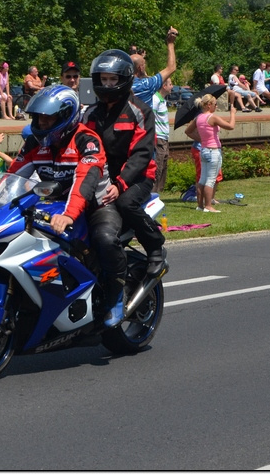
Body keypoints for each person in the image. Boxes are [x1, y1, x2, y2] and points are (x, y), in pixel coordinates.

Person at [83, 50, 166, 327]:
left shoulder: (139, 111)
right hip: (102, 177)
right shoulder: (91, 114)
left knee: (124, 204)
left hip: (137, 177)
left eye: (112, 79)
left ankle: (155, 247)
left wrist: (120, 184)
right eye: (103, 79)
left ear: (124, 80)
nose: (107, 85)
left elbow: (141, 155)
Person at [9, 84, 107, 243]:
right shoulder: (34, 143)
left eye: (48, 117)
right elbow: (12, 177)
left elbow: (85, 181)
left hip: (95, 204)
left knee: (105, 239)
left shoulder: (86, 140)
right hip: (56, 205)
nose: (42, 122)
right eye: (39, 116)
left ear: (66, 115)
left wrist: (69, 214)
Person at [185, 94, 236, 213]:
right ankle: (208, 206)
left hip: (203, 150)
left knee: (202, 179)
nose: (216, 106)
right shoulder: (212, 117)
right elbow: (231, 126)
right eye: (215, 104)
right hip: (213, 151)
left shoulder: (198, 118)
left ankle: (200, 205)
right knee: (211, 179)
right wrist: (232, 114)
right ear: (209, 105)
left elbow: (188, 131)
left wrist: (201, 139)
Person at [129, 27, 179, 107]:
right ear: (140, 68)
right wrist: (170, 43)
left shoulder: (120, 85)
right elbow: (171, 68)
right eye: (144, 64)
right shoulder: (146, 85)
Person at [151, 77, 171, 195]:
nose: (172, 86)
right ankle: (152, 194)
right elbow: (151, 117)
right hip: (158, 138)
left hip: (164, 138)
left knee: (163, 166)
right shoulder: (156, 100)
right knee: (157, 167)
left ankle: (157, 193)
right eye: (170, 84)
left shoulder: (163, 100)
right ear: (164, 86)